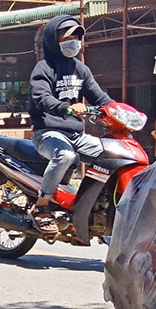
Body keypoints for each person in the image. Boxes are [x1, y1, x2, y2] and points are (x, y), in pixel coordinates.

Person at [27, 15, 112, 233]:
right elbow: (41, 98)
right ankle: (42, 205)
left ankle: (92, 204)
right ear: (54, 39)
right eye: (68, 36)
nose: (74, 41)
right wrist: (66, 107)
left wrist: (117, 110)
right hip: (47, 133)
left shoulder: (80, 69)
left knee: (110, 154)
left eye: (77, 36)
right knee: (65, 155)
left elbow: (99, 96)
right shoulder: (43, 68)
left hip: (75, 134)